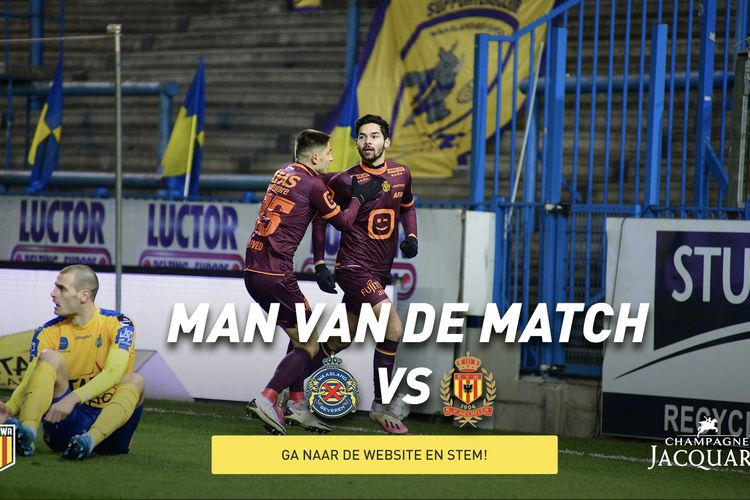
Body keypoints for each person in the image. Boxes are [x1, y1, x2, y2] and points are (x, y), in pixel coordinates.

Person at [244, 128, 381, 435]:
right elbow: (343, 222)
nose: (332, 158)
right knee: (310, 343)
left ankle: (296, 404)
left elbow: (318, 189)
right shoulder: (314, 185)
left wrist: (353, 177)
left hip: (254, 270)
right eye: (329, 153)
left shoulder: (283, 173)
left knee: (299, 337)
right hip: (277, 274)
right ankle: (267, 398)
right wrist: (359, 198)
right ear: (315, 157)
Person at [312, 114, 418, 434]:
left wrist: (412, 237)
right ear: (356, 142)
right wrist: (320, 263)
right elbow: (320, 218)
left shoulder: (401, 174)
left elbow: (408, 207)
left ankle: (287, 387)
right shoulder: (345, 180)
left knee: (339, 339)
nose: (367, 141)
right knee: (393, 327)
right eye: (361, 137)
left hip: (380, 271)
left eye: (374, 136)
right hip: (354, 268)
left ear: (387, 142)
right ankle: (380, 407)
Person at [0, 264, 144, 460]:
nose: (53, 293)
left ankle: (88, 441)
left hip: (112, 432)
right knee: (50, 357)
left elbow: (113, 372)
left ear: (84, 296)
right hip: (67, 423)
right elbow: (29, 382)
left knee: (136, 380)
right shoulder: (46, 332)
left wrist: (73, 398)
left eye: (61, 288)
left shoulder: (120, 324)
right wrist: (9, 408)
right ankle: (27, 436)